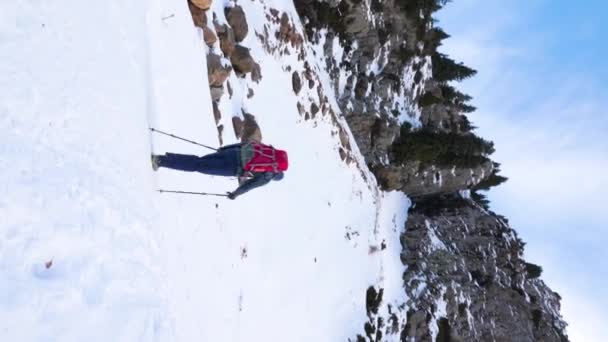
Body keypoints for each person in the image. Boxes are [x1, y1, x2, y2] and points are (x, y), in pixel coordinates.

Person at [151, 141, 288, 199]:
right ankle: (161, 160)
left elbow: (246, 144)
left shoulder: (268, 150)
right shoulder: (268, 175)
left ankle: (165, 158)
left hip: (232, 152)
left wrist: (224, 149)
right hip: (231, 168)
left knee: (198, 161)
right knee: (198, 166)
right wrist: (235, 194)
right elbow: (249, 186)